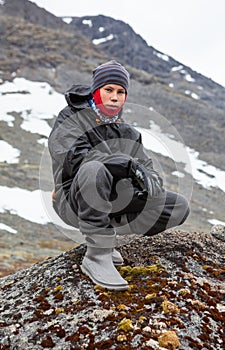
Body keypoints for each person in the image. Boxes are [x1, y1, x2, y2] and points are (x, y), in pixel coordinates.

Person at [48, 60, 190, 291]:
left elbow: (147, 169)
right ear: (96, 92)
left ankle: (109, 234)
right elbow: (72, 159)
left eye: (121, 92)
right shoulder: (71, 118)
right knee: (93, 170)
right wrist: (122, 164)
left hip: (113, 202)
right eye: (109, 90)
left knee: (177, 205)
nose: (115, 97)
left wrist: (148, 182)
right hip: (73, 200)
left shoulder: (129, 133)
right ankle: (97, 254)